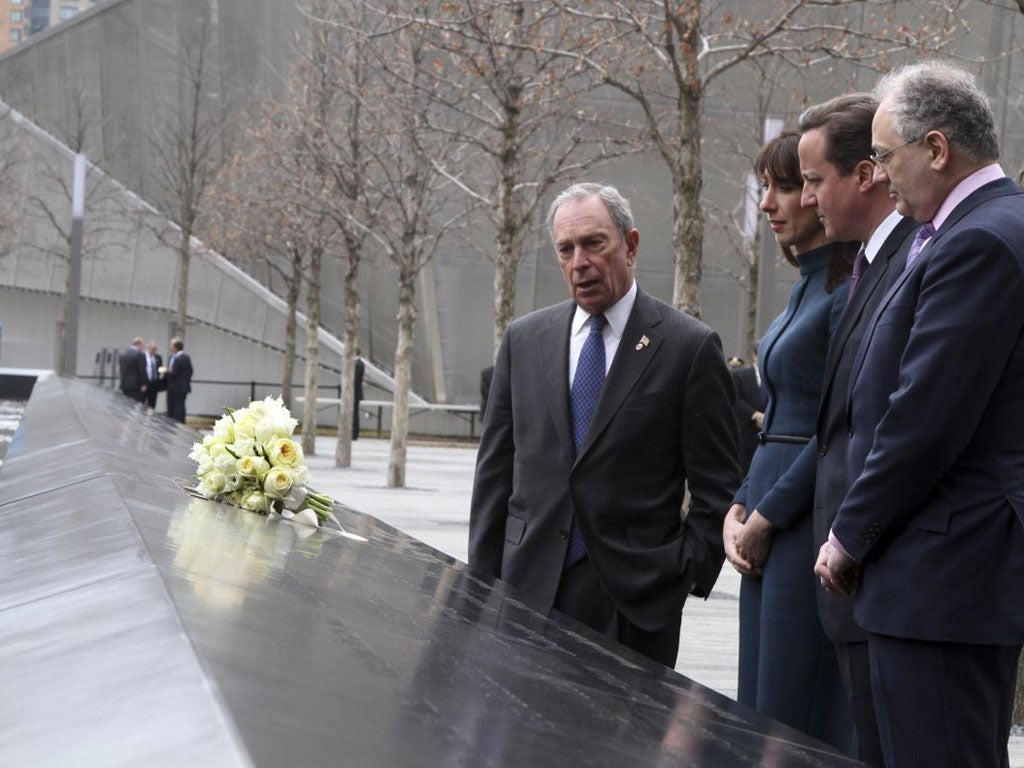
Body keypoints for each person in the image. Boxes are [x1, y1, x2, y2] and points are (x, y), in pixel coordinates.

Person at [815, 61, 1024, 768]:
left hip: (944, 577)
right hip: (940, 576)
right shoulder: (973, 228)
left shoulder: (980, 240)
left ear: (936, 149)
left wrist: (850, 534)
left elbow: (925, 418)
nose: (877, 172)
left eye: (884, 155)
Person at [469, 182, 740, 668]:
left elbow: (717, 486)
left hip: (634, 606)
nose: (580, 262)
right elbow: (494, 475)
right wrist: (480, 590)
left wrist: (680, 577)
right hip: (526, 593)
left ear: (630, 245)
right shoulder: (524, 340)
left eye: (594, 243)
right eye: (566, 249)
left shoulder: (688, 347)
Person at [722, 130, 856, 749]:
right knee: (761, 702)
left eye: (787, 186)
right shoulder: (807, 285)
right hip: (769, 517)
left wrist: (768, 513)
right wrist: (740, 502)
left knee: (792, 710)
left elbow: (838, 422)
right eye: (769, 187)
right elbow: (776, 412)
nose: (771, 203)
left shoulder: (846, 291)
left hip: (803, 517)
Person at [796, 92, 919, 767]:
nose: (808, 198)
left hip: (888, 578)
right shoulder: (869, 265)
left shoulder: (913, 263)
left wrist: (851, 539)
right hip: (857, 583)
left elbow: (906, 424)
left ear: (866, 174)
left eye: (816, 180)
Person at [730, 351, 765, 476]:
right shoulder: (741, 375)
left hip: (765, 433)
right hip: (746, 430)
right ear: (755, 356)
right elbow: (736, 399)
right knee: (744, 470)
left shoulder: (771, 375)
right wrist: (755, 414)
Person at [164, 336, 193, 423]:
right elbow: (191, 371)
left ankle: (176, 422)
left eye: (172, 346)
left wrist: (166, 371)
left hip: (176, 387)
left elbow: (174, 373)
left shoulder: (177, 359)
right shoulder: (186, 357)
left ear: (175, 347)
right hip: (184, 387)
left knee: (176, 407)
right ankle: (180, 422)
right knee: (181, 405)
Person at [119, 336, 148, 403]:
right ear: (138, 344)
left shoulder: (123, 355)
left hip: (125, 386)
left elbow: (122, 370)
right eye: (142, 346)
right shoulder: (139, 355)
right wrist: (144, 384)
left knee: (126, 406)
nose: (143, 348)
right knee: (135, 406)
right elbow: (142, 371)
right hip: (136, 387)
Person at [144, 340, 164, 409]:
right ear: (148, 348)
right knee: (143, 401)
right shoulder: (143, 356)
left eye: (155, 349)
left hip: (154, 383)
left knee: (152, 403)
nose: (154, 351)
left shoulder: (158, 357)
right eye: (152, 349)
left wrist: (163, 373)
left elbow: (160, 369)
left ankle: (150, 417)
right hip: (145, 382)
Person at [352, 348, 364, 440]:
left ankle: (354, 433)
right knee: (355, 413)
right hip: (357, 392)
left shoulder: (357, 364)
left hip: (354, 392)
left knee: (354, 413)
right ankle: (354, 433)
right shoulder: (361, 363)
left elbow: (355, 380)